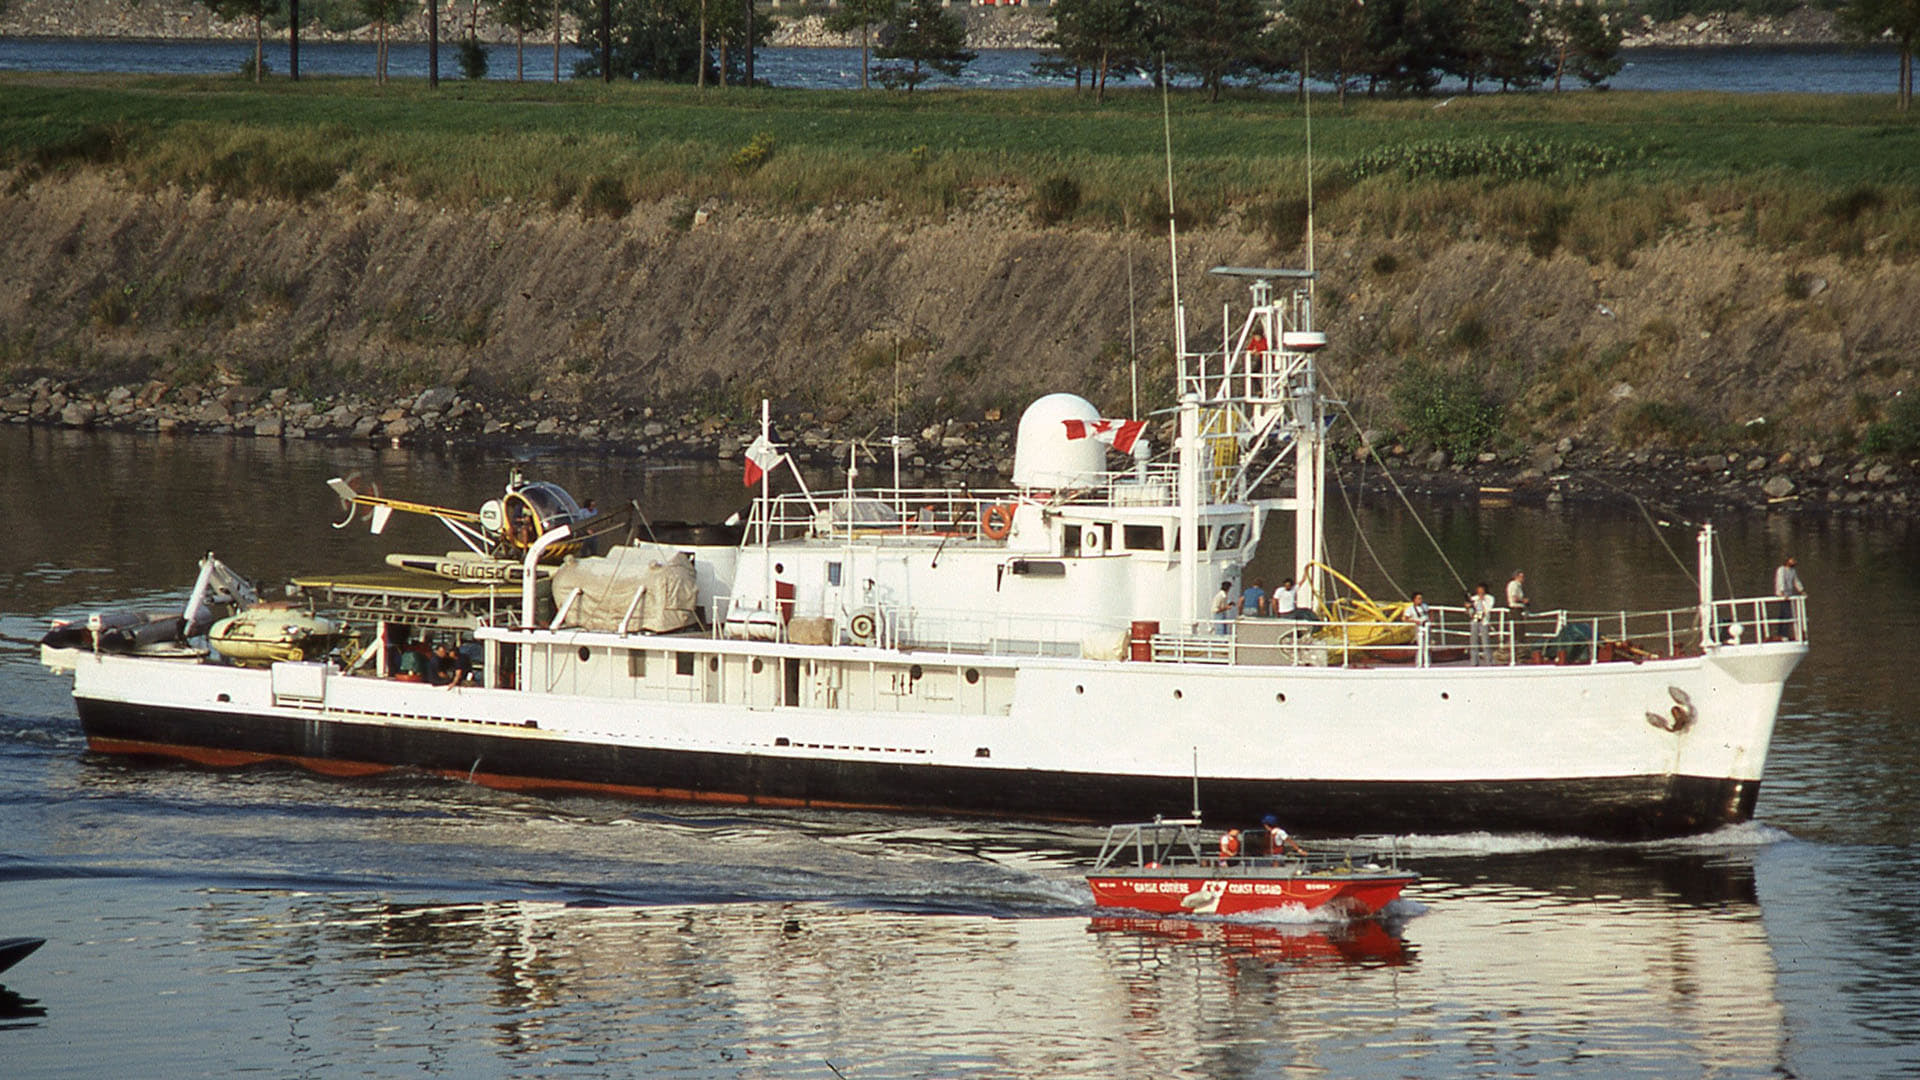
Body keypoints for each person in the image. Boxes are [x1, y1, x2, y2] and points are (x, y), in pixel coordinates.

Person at [1772, 556, 1805, 641]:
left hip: (1788, 595)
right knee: (1785, 614)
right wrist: (1782, 592)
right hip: (1782, 595)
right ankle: (1782, 634)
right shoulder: (1781, 570)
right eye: (1792, 560)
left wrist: (1801, 590)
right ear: (1787, 561)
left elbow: (1796, 581)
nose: (1794, 562)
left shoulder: (1792, 571)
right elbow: (1780, 581)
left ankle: (1783, 634)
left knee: (1786, 614)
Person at [1469, 582, 1496, 665]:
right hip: (1475, 621)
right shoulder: (1473, 599)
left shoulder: (1490, 598)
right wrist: (1469, 607)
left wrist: (1481, 601)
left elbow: (1487, 609)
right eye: (1479, 591)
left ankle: (1488, 661)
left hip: (1484, 622)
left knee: (1486, 642)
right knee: (1474, 642)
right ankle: (1474, 662)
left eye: (1482, 591)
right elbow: (1470, 612)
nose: (1480, 593)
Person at [1402, 590, 1432, 663]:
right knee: (1420, 645)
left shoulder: (1424, 606)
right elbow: (1404, 619)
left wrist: (1430, 620)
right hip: (1419, 628)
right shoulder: (1410, 609)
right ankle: (1419, 662)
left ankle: (1427, 661)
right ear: (1414, 600)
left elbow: (1430, 612)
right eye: (1418, 598)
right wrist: (1415, 621)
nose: (1420, 600)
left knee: (1426, 645)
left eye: (1421, 598)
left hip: (1426, 626)